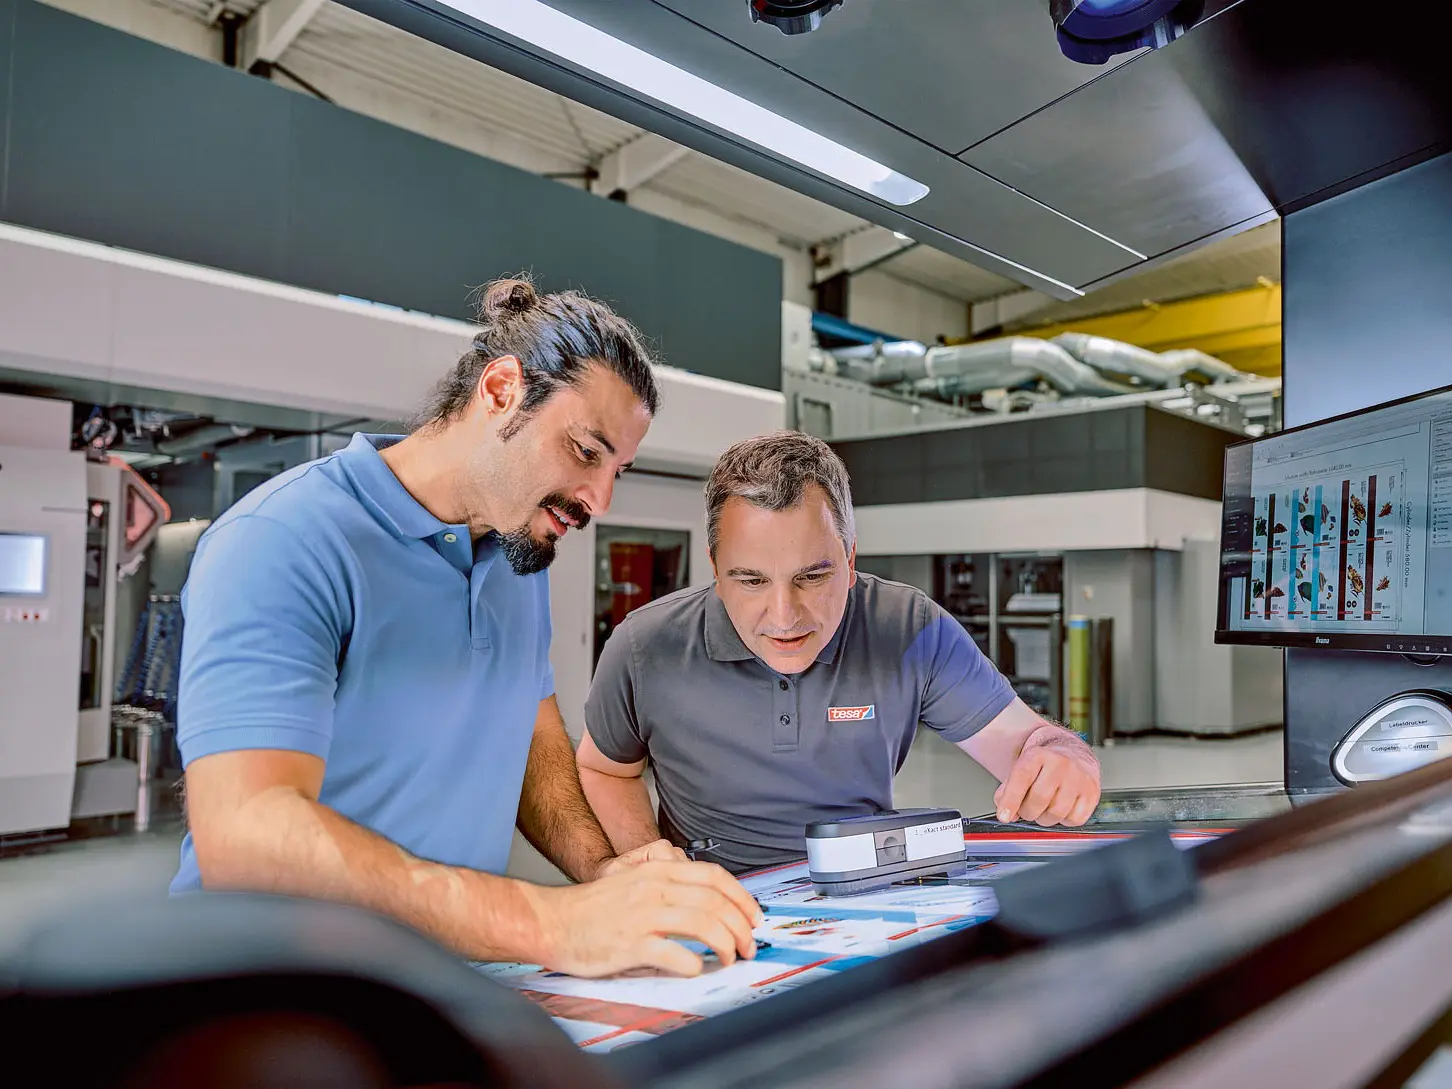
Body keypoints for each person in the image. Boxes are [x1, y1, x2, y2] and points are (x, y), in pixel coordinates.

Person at [172, 277, 761, 979]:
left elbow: (532, 729)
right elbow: (247, 835)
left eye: (617, 471)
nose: (599, 499)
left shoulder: (518, 558)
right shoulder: (284, 539)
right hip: (272, 993)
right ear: (502, 389)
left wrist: (606, 872)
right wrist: (548, 921)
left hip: (440, 982)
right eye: (583, 450)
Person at [577, 430, 1102, 875]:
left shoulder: (910, 629)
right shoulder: (645, 646)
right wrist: (648, 865)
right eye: (751, 580)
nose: (784, 617)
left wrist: (1064, 756)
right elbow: (606, 769)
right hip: (711, 902)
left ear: (850, 559)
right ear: (715, 568)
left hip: (867, 891)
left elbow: (1030, 740)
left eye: (813, 577)